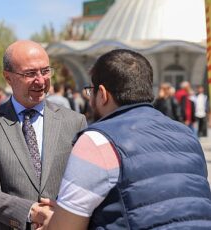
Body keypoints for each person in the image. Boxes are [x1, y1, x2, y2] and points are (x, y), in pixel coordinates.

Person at [47, 49, 211, 229]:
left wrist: (51, 220)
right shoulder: (187, 135)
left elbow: (65, 226)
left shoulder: (97, 140)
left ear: (102, 94)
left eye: (90, 91)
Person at [0, 40, 87, 230]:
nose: (41, 80)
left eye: (46, 71)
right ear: (8, 78)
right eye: (30, 73)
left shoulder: (75, 122)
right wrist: (31, 212)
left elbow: (84, 183)